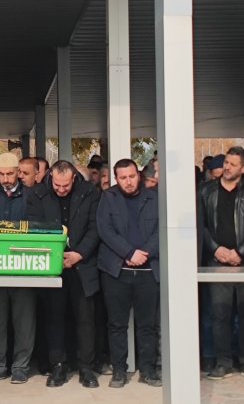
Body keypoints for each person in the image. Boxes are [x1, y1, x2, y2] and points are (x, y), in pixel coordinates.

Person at [25, 160, 100, 388]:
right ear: (51, 177)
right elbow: (35, 227)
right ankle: (58, 366)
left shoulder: (90, 193)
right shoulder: (37, 194)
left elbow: (95, 227)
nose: (60, 189)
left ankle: (86, 368)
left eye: (65, 185)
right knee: (54, 318)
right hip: (53, 265)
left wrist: (79, 254)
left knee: (85, 319)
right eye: (57, 185)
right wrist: (57, 256)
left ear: (74, 178)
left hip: (82, 264)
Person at [198, 147, 244, 381]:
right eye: (226, 162)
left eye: (232, 164)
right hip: (217, 261)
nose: (226, 167)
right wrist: (216, 249)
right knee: (220, 314)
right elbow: (201, 225)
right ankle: (223, 362)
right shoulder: (206, 190)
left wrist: (240, 252)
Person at [96, 159, 161, 388]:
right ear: (116, 179)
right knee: (117, 324)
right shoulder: (108, 198)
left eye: (132, 176)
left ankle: (148, 371)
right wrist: (129, 252)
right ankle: (119, 371)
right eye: (123, 178)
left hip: (147, 270)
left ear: (139, 175)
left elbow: (160, 230)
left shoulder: (154, 198)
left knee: (147, 325)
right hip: (117, 271)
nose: (129, 182)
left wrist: (144, 253)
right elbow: (105, 230)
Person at [0, 152, 35, 384]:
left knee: (24, 320)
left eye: (10, 174)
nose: (6, 179)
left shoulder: (31, 195)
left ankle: (21, 366)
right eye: (1, 174)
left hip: (24, 266)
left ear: (18, 172)